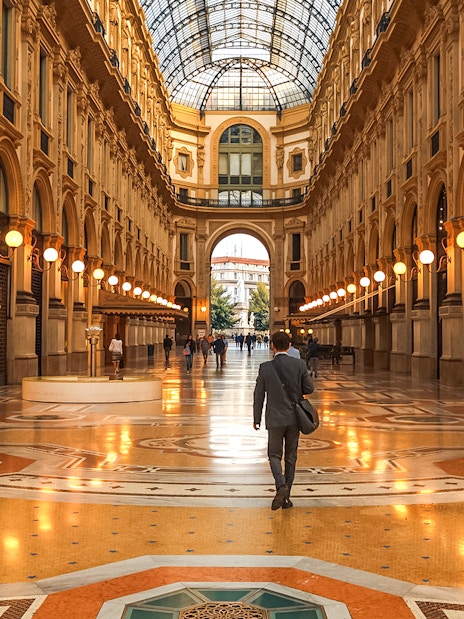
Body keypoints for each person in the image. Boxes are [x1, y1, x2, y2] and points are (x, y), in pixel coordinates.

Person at [253, 331, 313, 510]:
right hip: (294, 418)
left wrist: (256, 418)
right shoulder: (299, 364)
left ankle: (281, 486)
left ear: (272, 345)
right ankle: (286, 498)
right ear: (289, 346)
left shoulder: (265, 367)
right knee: (291, 457)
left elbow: (258, 395)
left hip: (275, 417)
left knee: (274, 455)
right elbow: (309, 388)